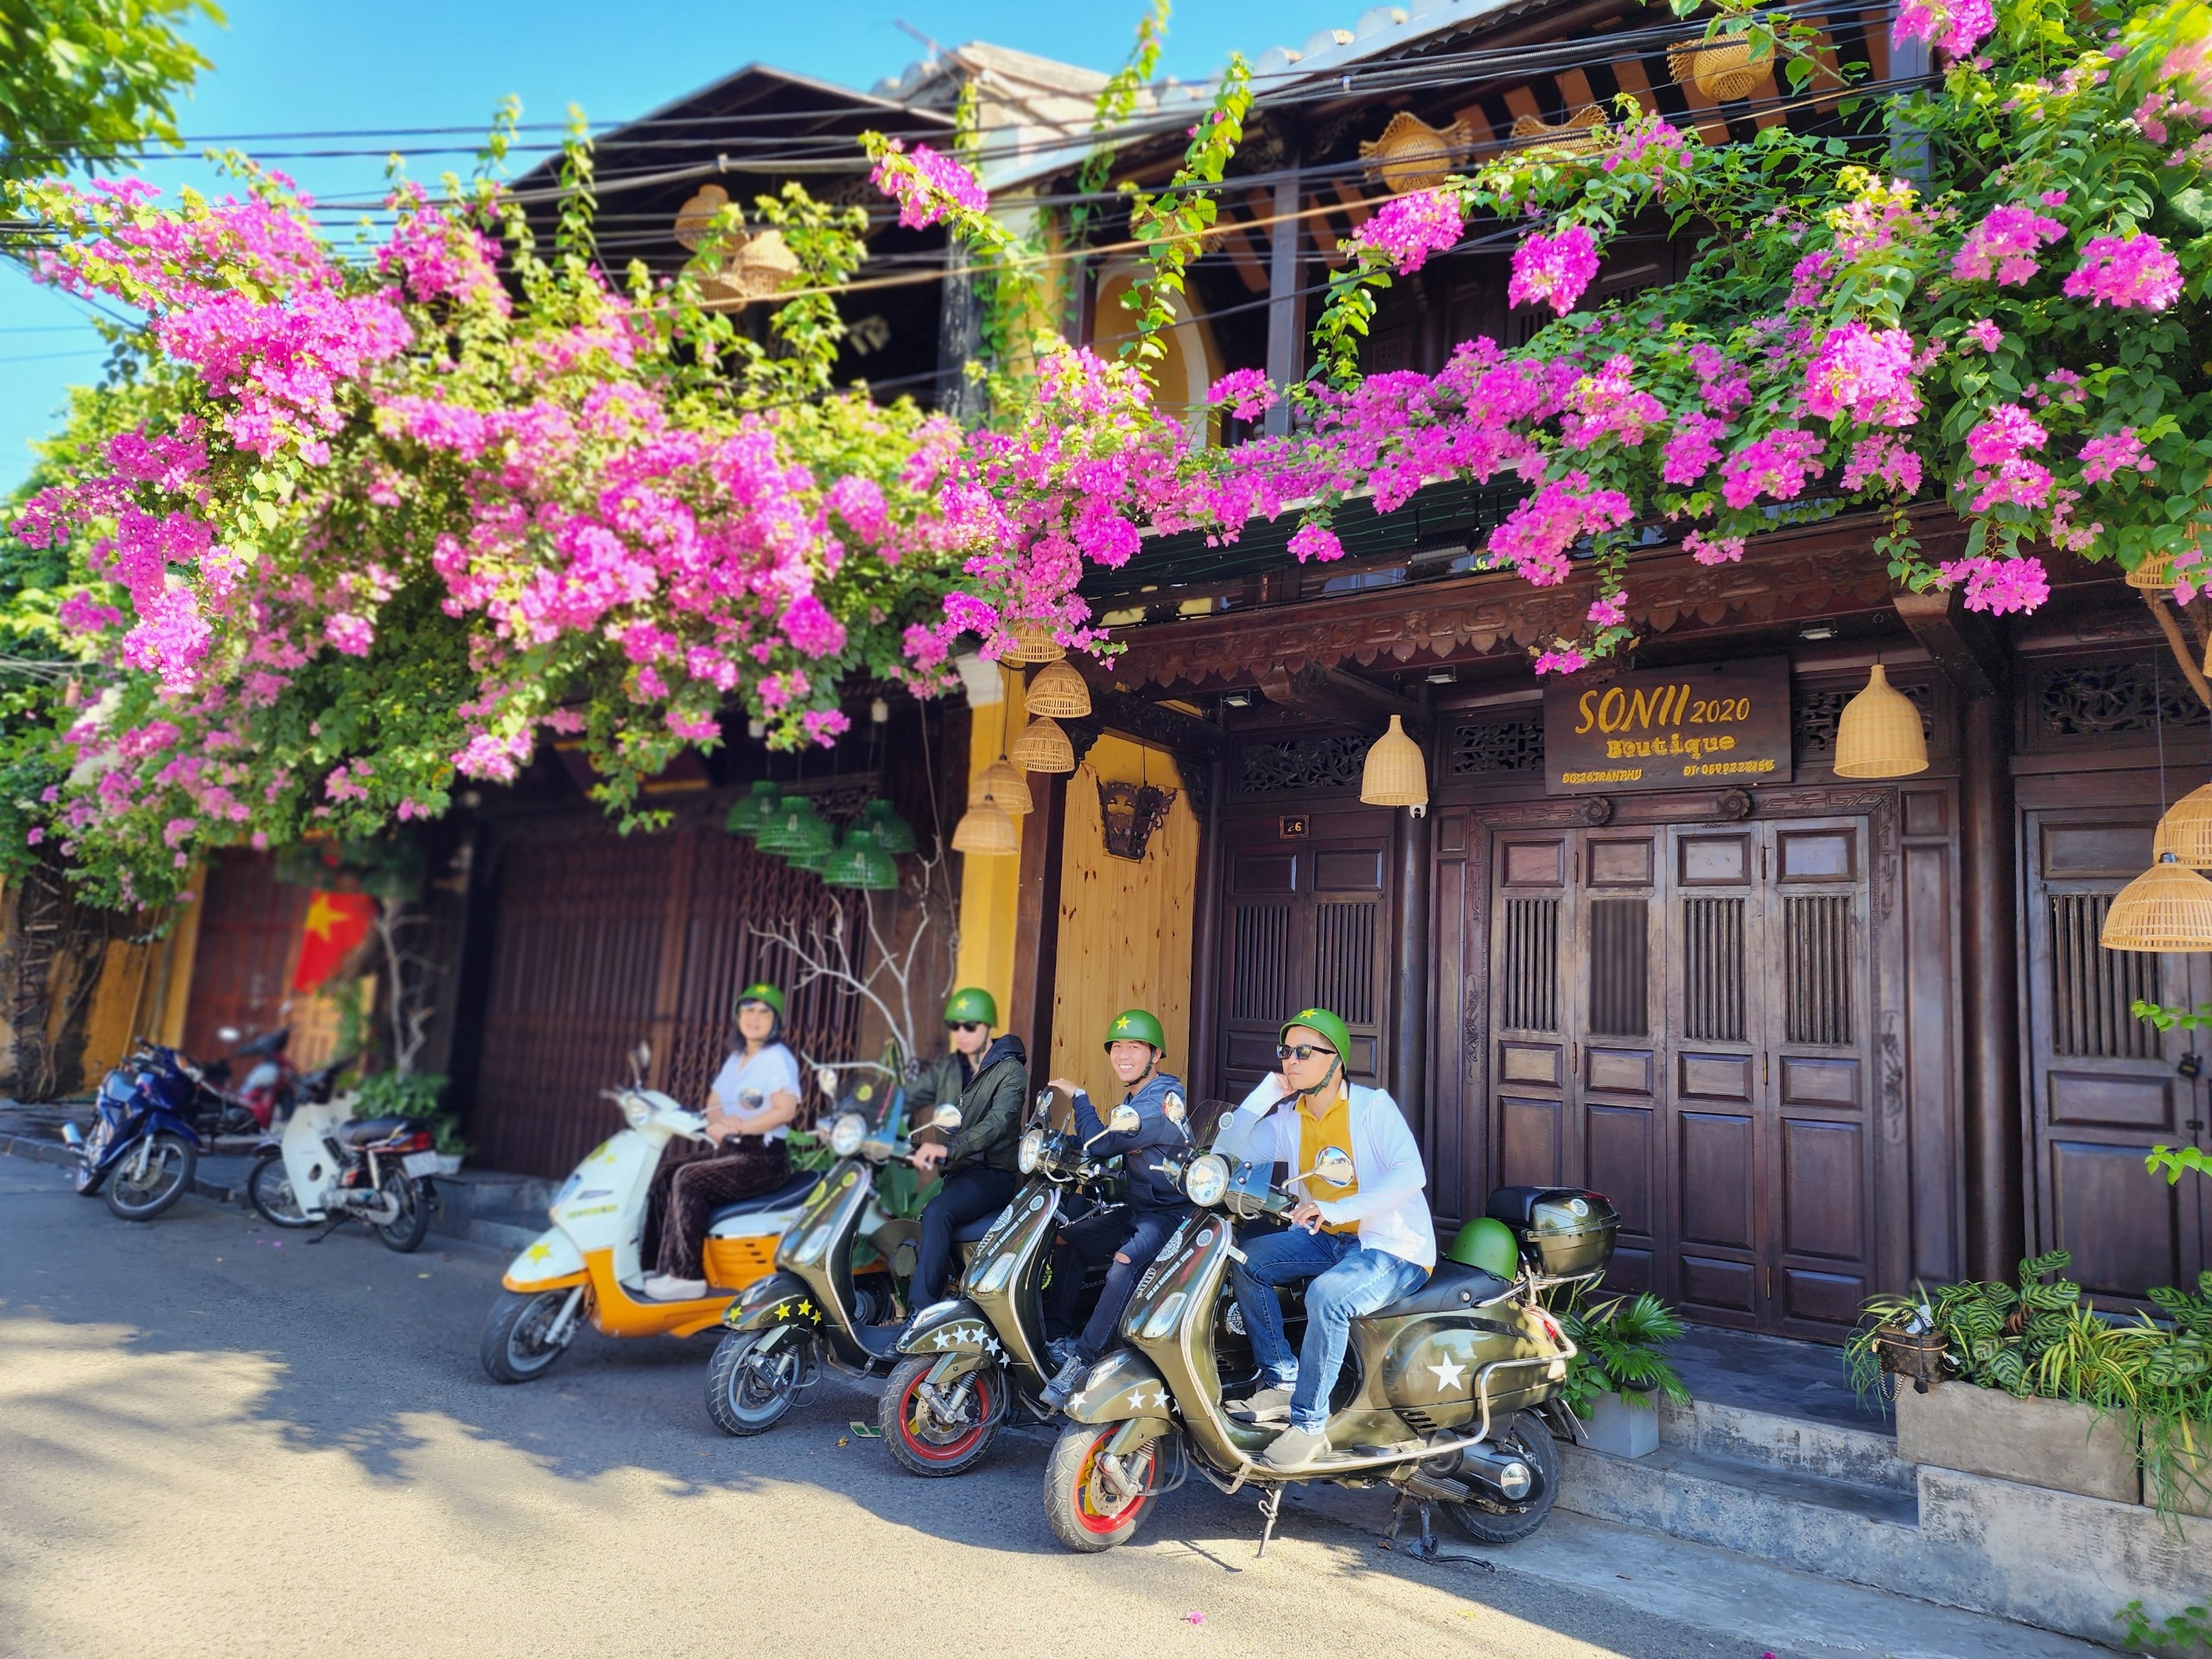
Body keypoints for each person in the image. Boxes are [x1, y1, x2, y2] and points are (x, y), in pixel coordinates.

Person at [1212, 1007, 1434, 1473]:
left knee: (1328, 1295)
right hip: (1327, 1240)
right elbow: (1226, 1152)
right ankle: (1283, 1379)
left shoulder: (1372, 1108)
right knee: (1246, 1259)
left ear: (1336, 1061)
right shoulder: (1291, 1117)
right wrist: (1268, 1091)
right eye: (1285, 1051)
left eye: (1304, 1052)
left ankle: (1310, 1425)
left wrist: (1335, 1210)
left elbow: (1411, 1174)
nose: (1291, 1060)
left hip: (1390, 1247)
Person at [1039, 1008, 1193, 1409]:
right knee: (1067, 1240)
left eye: (1135, 1047)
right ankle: (1058, 1336)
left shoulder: (1161, 1100)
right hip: (1138, 1208)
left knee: (1124, 1262)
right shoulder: (1136, 1097)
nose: (1124, 1054)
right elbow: (1100, 1145)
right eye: (1117, 1046)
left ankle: (1082, 1361)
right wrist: (1055, 1143)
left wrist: (1080, 1098)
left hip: (1172, 1216)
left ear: (1155, 1054)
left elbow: (1102, 1143)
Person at [640, 983, 803, 1300]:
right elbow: (713, 1104)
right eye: (748, 1010)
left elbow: (786, 1110)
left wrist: (741, 1126)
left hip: (763, 1159)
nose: (754, 1018)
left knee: (689, 1179)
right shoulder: (737, 1058)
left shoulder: (777, 1059)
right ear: (738, 1016)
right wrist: (723, 1123)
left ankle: (685, 1276)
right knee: (665, 1173)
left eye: (763, 1012)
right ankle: (654, 1265)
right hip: (732, 1149)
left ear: (776, 1021)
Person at [907, 987, 1028, 1309]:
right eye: (956, 1026)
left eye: (970, 1026)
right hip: (958, 1176)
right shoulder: (953, 1068)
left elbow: (998, 1123)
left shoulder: (1009, 1071)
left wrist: (950, 1149)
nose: (961, 1034)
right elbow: (915, 1099)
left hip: (991, 1175)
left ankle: (919, 1312)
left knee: (937, 1212)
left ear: (988, 1027)